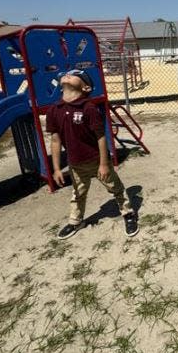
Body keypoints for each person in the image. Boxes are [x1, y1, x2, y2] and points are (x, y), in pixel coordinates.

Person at [46, 68, 139, 239]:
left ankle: (128, 214)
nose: (68, 74)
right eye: (68, 73)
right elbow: (55, 141)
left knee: (116, 188)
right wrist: (57, 168)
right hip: (75, 164)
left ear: (86, 88)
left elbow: (101, 137)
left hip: (96, 161)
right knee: (78, 193)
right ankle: (76, 221)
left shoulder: (88, 108)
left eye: (76, 75)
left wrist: (104, 164)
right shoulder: (54, 110)